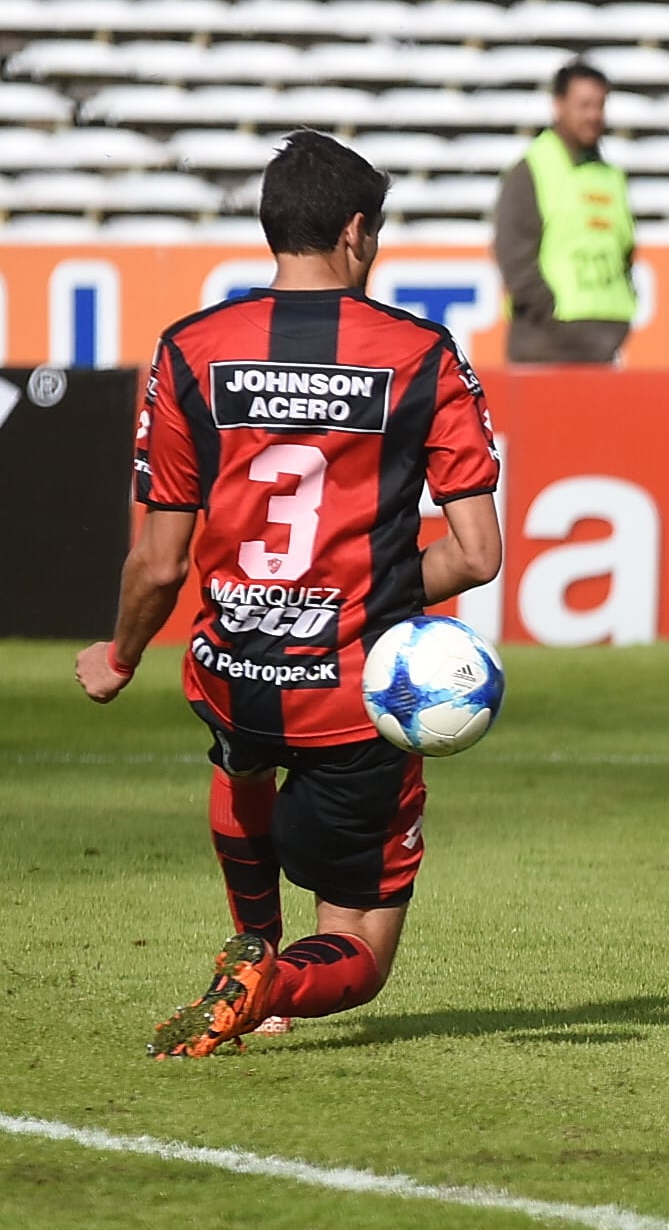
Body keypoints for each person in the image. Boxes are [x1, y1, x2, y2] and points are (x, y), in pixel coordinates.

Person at [74, 130, 503, 1059]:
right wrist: (371, 590)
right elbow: (475, 555)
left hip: (233, 667)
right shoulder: (420, 354)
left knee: (241, 763)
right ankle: (270, 979)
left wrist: (116, 658)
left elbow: (157, 562)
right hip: (355, 693)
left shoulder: (190, 349)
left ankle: (253, 946)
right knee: (358, 948)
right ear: (357, 233)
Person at [492, 61, 636, 364]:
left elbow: (624, 251)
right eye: (584, 105)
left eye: (600, 105)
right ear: (557, 106)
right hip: (546, 347)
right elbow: (513, 253)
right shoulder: (532, 169)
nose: (594, 115)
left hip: (604, 345)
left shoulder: (612, 176)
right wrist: (549, 310)